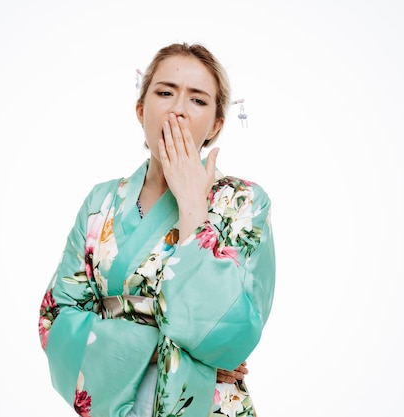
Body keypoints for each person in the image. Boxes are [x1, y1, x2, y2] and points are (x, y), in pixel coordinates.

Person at [38, 42, 275, 417]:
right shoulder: (101, 201)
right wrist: (165, 350)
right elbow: (57, 320)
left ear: (216, 124)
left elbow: (232, 338)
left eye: (197, 100)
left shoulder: (243, 202)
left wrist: (194, 209)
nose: (178, 108)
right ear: (140, 109)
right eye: (165, 92)